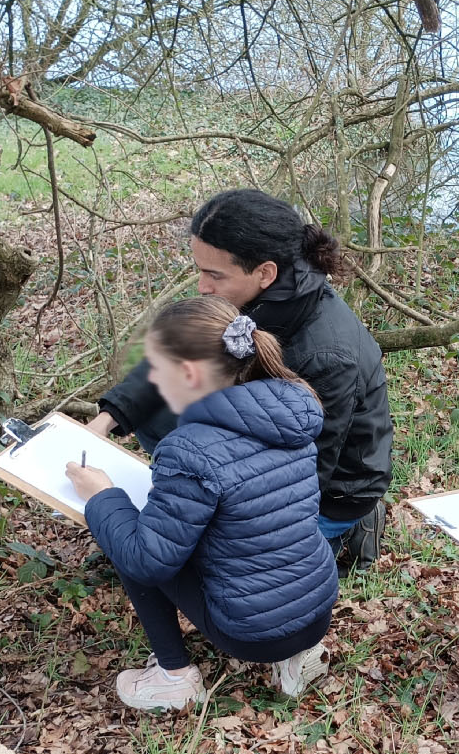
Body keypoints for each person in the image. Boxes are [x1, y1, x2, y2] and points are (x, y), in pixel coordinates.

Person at [89, 189, 393, 571]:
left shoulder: (326, 354)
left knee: (205, 559)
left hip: (335, 489)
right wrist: (106, 419)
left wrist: (214, 518)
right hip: (262, 428)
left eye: (213, 274)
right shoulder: (252, 292)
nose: (202, 286)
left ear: (264, 272)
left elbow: (306, 471)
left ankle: (346, 529)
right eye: (200, 270)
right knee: (154, 410)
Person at [67, 297, 339, 709]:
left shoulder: (190, 449)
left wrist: (102, 498)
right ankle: (296, 662)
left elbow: (147, 560)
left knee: (129, 534)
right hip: (317, 609)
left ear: (189, 373)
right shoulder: (293, 411)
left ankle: (173, 676)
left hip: (253, 632)